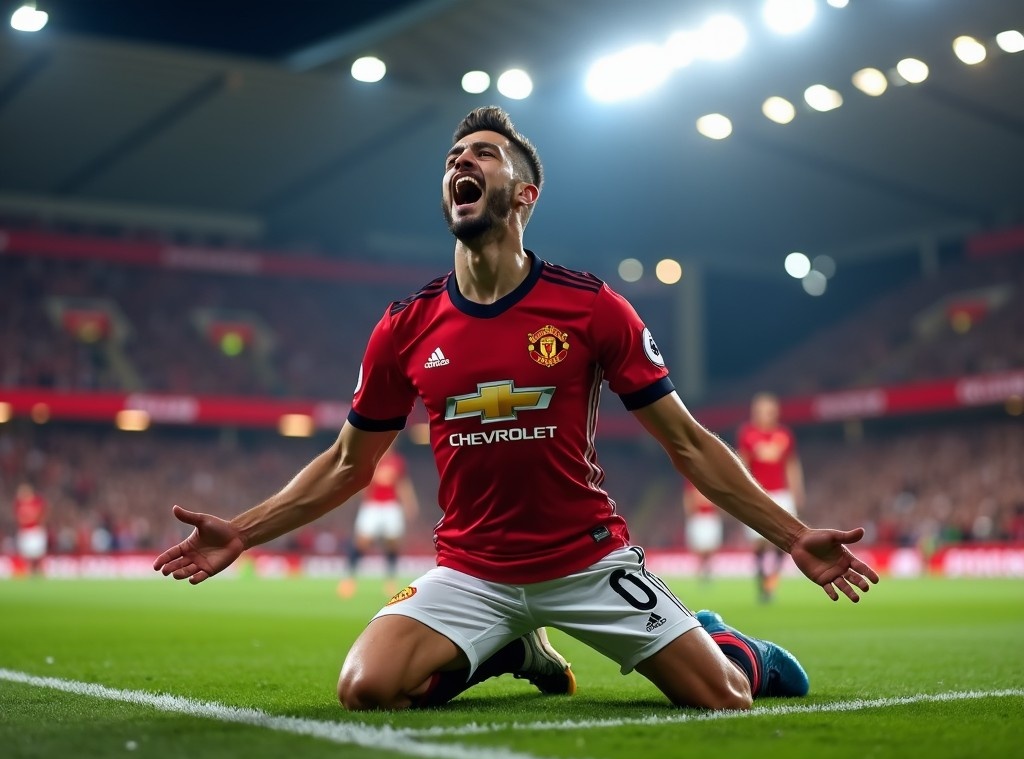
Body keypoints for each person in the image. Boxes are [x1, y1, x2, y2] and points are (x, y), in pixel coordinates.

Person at [154, 106, 879, 712]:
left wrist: (790, 536)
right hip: (471, 569)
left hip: (585, 559)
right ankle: (505, 648)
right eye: (453, 158)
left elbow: (688, 444)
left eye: (483, 155)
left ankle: (727, 641)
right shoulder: (405, 326)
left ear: (524, 195)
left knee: (724, 699)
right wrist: (242, 533)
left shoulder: (591, 308)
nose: (460, 164)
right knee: (365, 689)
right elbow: (350, 463)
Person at [736, 392, 806, 603]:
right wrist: (742, 491)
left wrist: (798, 490)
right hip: (758, 494)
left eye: (769, 410)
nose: (764, 414)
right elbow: (742, 463)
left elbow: (792, 465)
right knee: (758, 542)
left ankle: (772, 580)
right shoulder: (747, 434)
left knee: (784, 541)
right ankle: (762, 579)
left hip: (781, 494)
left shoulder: (784, 435)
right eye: (760, 410)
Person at [337, 443, 419, 598]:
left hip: (391, 506)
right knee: (361, 542)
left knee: (393, 543)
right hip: (372, 505)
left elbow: (403, 484)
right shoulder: (372, 460)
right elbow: (362, 482)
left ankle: (390, 580)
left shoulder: (397, 462)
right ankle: (349, 579)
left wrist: (409, 503)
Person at [683, 481, 723, 583]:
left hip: (710, 517)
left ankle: (707, 570)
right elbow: (689, 498)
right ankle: (702, 571)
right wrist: (690, 513)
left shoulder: (712, 480)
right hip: (698, 517)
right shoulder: (691, 482)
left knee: (710, 547)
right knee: (699, 548)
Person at [14, 482, 47, 576]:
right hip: (24, 531)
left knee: (38, 554)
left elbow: (41, 514)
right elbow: (18, 517)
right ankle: (28, 573)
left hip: (35, 530)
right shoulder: (18, 503)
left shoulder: (36, 501)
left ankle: (40, 572)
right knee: (25, 555)